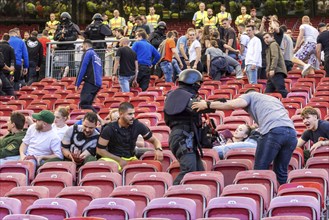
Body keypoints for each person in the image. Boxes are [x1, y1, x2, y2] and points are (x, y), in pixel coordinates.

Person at [192, 89, 297, 184]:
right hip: (291, 134)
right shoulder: (273, 100)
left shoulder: (250, 95)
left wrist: (208, 104)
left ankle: (257, 199)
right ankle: (284, 198)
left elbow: (232, 104)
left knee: (259, 171)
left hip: (273, 132)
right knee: (281, 173)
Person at [164, 69, 210, 185]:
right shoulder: (184, 96)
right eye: (199, 83)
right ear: (193, 81)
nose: (199, 86)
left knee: (199, 172)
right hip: (183, 137)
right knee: (189, 171)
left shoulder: (174, 95)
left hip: (184, 136)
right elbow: (195, 107)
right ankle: (170, 197)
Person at [97, 102, 163, 170]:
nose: (133, 116)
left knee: (151, 162)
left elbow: (155, 140)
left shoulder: (137, 125)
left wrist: (158, 149)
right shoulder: (109, 128)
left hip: (131, 158)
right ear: (121, 114)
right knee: (101, 164)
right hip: (114, 159)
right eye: (130, 114)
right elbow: (100, 150)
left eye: (133, 113)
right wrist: (119, 160)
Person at [75, 39, 102, 112]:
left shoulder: (88, 53)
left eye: (83, 46)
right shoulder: (97, 55)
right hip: (97, 83)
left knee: (84, 104)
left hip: (90, 81)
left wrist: (77, 83)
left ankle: (98, 118)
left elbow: (82, 68)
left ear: (86, 45)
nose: (82, 47)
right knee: (88, 104)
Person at [53, 12, 80, 76]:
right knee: (57, 65)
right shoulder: (59, 26)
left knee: (71, 66)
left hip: (69, 48)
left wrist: (65, 38)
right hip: (60, 48)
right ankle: (57, 78)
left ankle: (72, 77)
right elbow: (55, 37)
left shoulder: (73, 26)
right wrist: (60, 34)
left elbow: (74, 37)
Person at [263, 32, 288, 98]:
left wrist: (272, 69)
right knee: (267, 93)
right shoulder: (270, 46)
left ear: (272, 37)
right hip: (272, 72)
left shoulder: (273, 44)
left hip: (277, 71)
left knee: (281, 90)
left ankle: (289, 101)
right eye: (264, 38)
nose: (265, 39)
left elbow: (275, 57)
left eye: (267, 37)